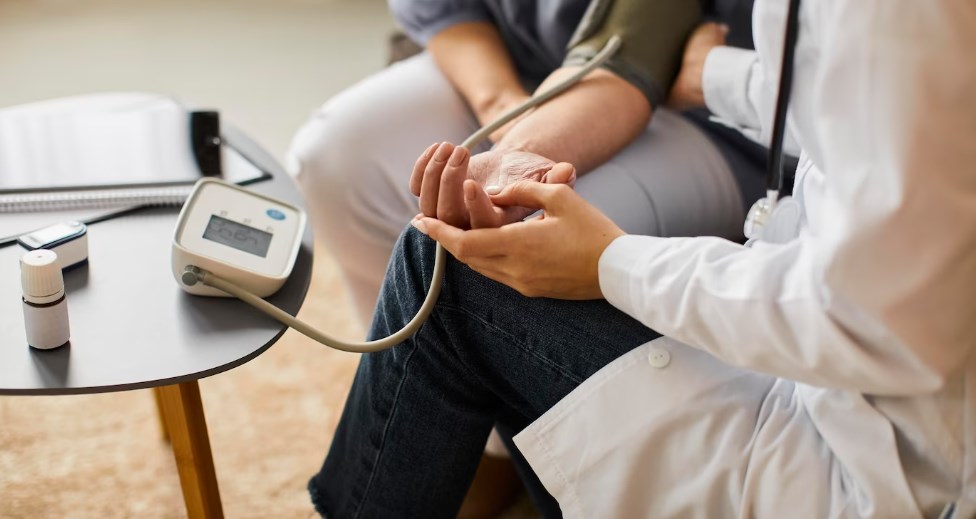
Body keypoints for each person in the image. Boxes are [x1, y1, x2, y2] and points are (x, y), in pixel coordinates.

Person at [308, 0, 976, 517]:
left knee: (446, 268)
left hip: (867, 475)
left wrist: (610, 264)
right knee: (462, 251)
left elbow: (875, 320)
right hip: (846, 396)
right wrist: (722, 77)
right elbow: (865, 114)